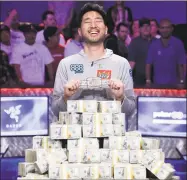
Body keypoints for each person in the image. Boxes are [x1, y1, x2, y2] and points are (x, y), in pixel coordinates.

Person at [52, 3, 135, 117]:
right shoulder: (66, 64)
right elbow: (55, 110)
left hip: (110, 134)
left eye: (98, 20)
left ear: (106, 30)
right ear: (80, 31)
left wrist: (121, 98)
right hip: (77, 133)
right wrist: (66, 98)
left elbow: (130, 111)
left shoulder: (121, 64)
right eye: (87, 21)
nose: (93, 25)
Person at [146, 19, 186, 86]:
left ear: (172, 29)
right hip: (157, 85)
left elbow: (182, 64)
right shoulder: (153, 45)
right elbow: (148, 64)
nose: (165, 30)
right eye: (162, 28)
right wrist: (148, 80)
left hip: (174, 85)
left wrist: (182, 81)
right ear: (159, 29)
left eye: (167, 28)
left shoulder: (178, 43)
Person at [128, 18, 154, 86]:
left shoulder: (156, 42)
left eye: (147, 26)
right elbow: (131, 62)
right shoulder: (135, 42)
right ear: (139, 29)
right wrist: (127, 78)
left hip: (155, 77)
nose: (145, 28)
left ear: (151, 28)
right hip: (139, 78)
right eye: (143, 26)